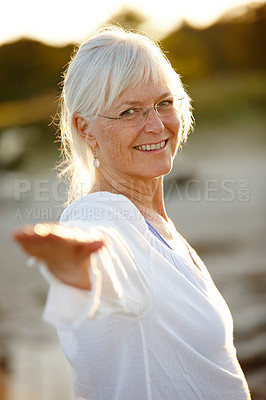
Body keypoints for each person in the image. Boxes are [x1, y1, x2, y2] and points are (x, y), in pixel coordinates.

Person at [13, 26, 251, 399]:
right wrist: (74, 267)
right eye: (129, 111)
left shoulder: (153, 222)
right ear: (85, 128)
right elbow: (103, 256)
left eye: (164, 103)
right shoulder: (102, 221)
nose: (156, 125)